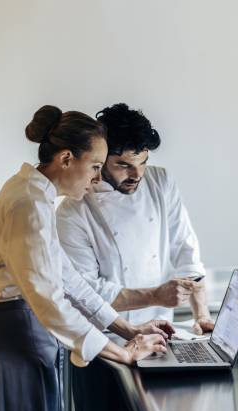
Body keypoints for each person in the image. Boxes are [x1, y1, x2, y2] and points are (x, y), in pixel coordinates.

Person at [0, 105, 173, 411]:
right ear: (66, 159)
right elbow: (51, 301)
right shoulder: (26, 205)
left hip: (21, 343)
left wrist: (128, 329)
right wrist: (122, 353)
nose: (98, 178)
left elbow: (67, 279)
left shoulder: (34, 197)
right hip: (7, 349)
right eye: (95, 166)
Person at [56, 103, 214, 334]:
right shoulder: (73, 210)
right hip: (104, 336)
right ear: (101, 159)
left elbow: (185, 249)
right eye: (123, 165)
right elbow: (86, 292)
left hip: (161, 329)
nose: (137, 175)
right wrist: (155, 295)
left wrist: (201, 315)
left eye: (143, 162)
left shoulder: (160, 182)